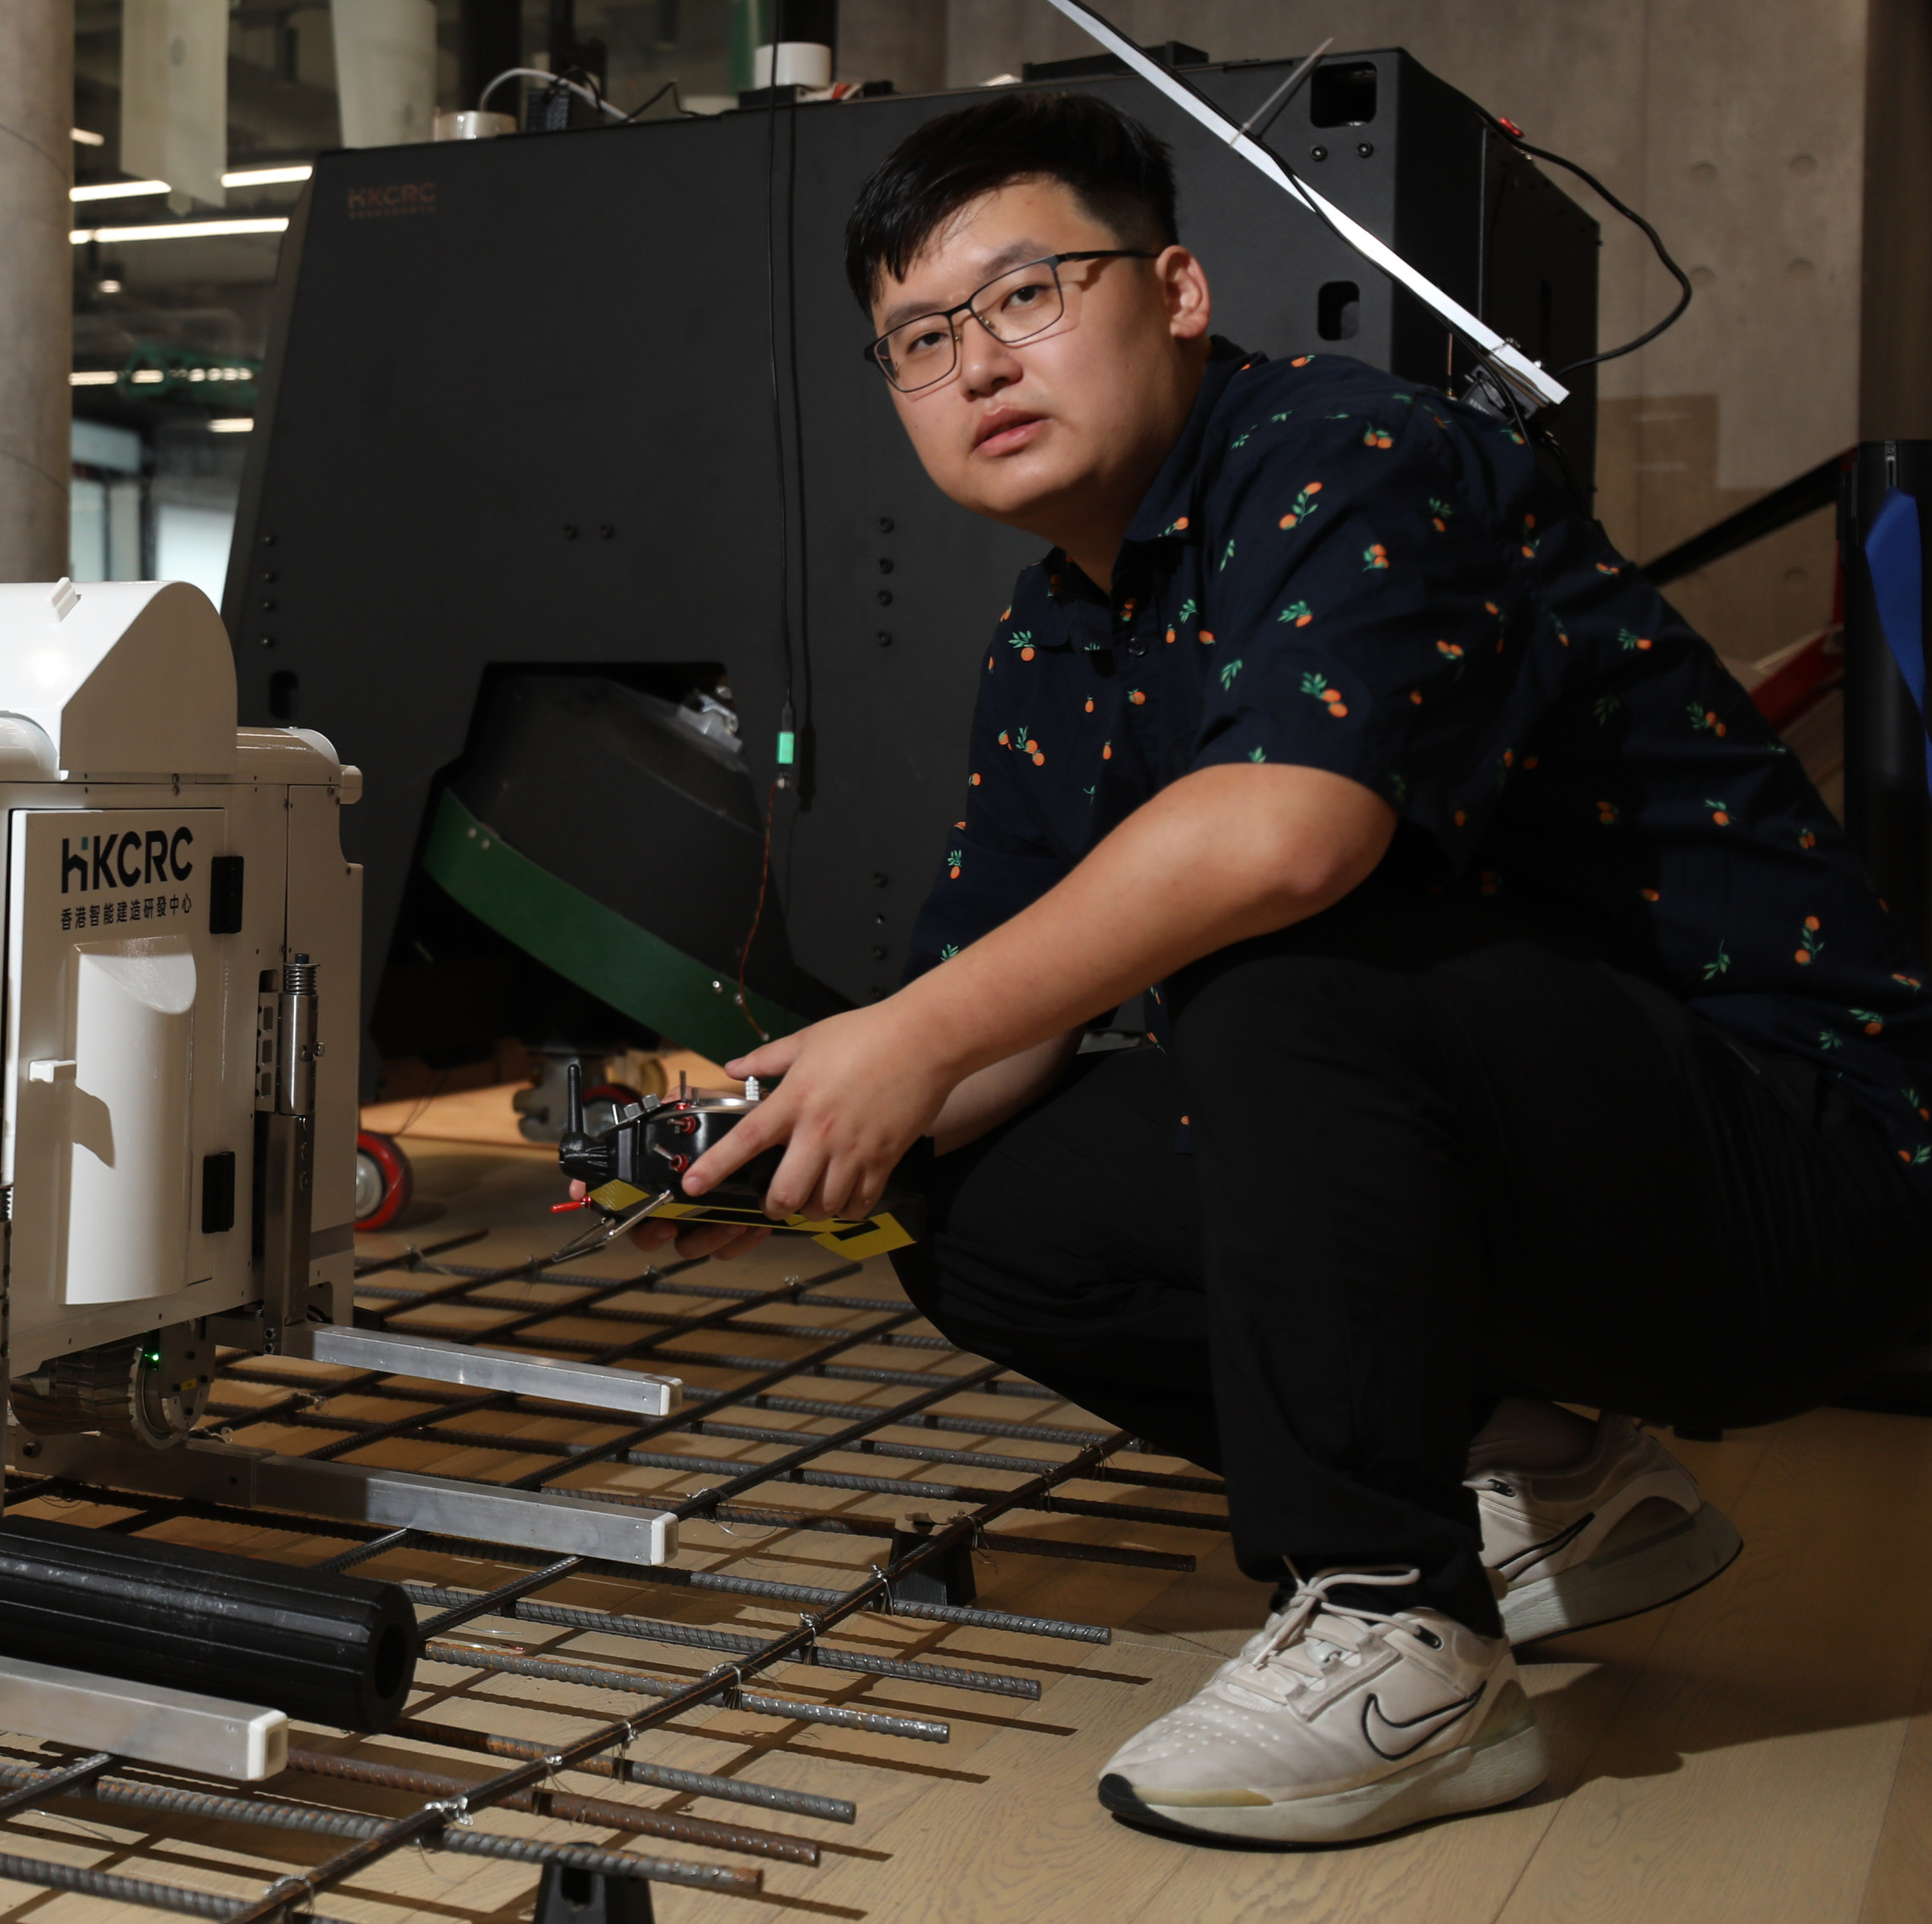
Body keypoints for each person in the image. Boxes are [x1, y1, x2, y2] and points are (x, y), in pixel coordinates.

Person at [672, 91, 1932, 1846]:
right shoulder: (1052, 633)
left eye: (1026, 294)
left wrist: (912, 1037)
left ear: (1175, 289)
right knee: (960, 1196)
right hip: (1550, 1168)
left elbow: (1290, 840)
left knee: (1272, 956)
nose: (974, 365)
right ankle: (1551, 1485)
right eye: (918, 341)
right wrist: (789, 1118)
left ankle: (1390, 1617)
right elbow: (970, 1014)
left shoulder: (1353, 453)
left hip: (1805, 1173)